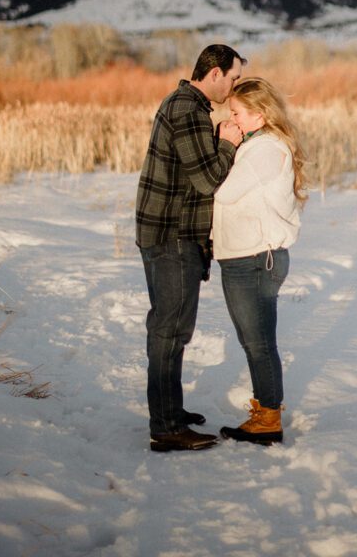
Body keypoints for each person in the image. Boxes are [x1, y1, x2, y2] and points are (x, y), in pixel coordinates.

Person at [136, 43, 245, 452]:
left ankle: (170, 411)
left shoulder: (184, 104)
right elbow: (207, 180)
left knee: (169, 329)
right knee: (170, 331)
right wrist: (229, 144)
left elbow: (193, 175)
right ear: (214, 73)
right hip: (173, 236)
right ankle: (165, 428)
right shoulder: (189, 110)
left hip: (164, 233)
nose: (233, 88)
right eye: (233, 78)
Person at [212, 77, 307, 445]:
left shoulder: (264, 149)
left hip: (254, 257)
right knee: (255, 340)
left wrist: (225, 143)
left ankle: (268, 418)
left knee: (259, 342)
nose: (232, 118)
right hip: (248, 255)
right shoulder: (258, 145)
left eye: (236, 113)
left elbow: (223, 190)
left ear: (259, 113)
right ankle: (265, 412)